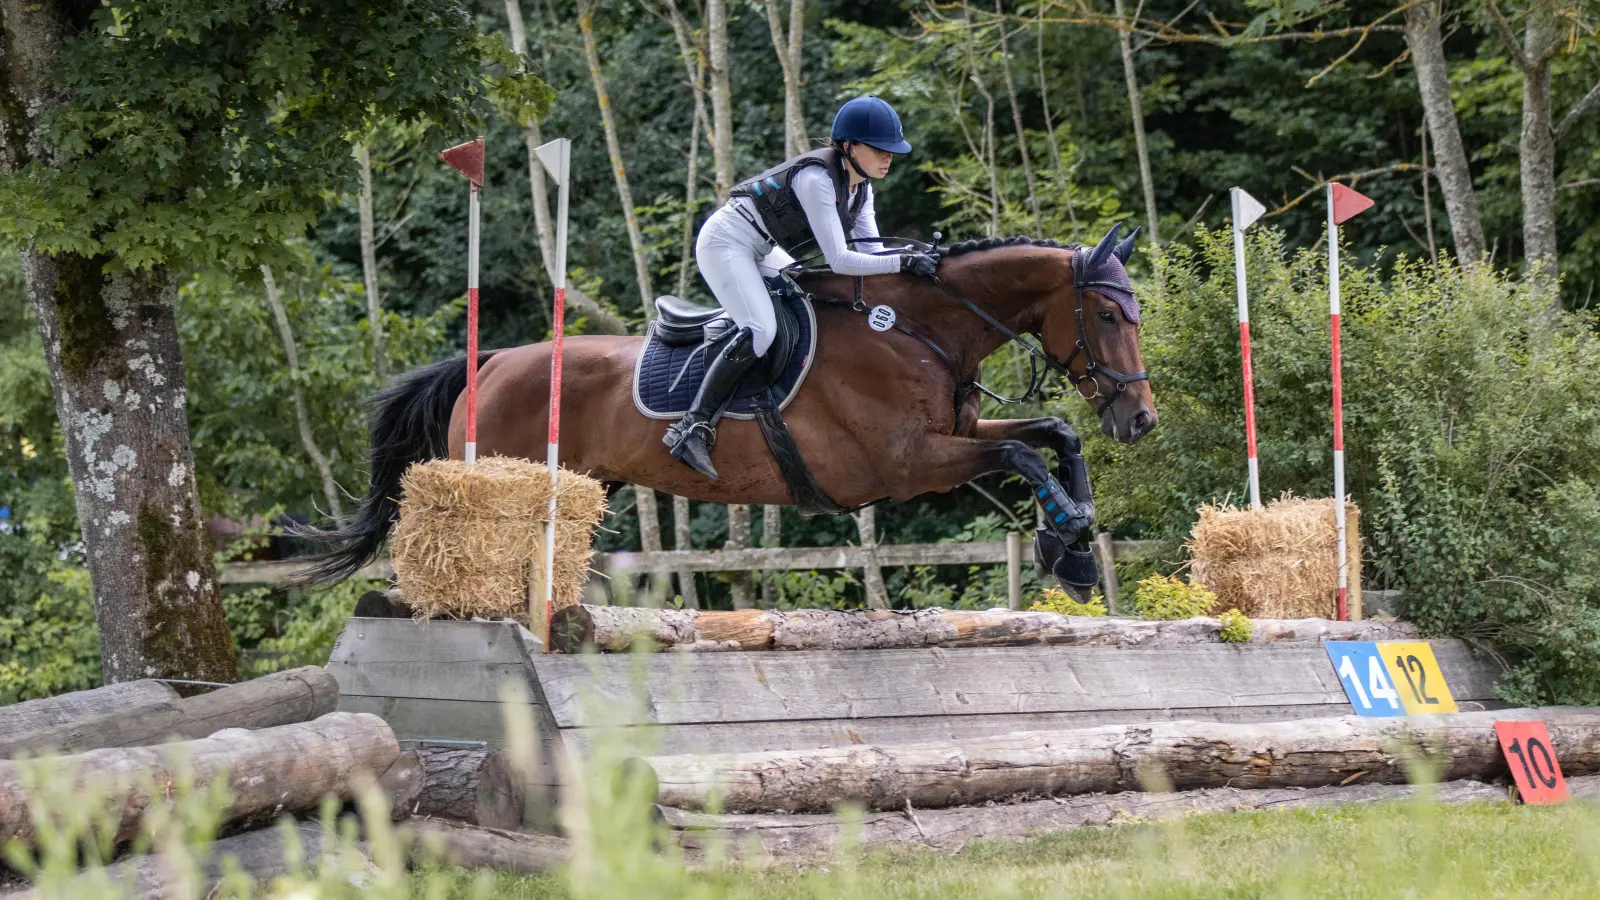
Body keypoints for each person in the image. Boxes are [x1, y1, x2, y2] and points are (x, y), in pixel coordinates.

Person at [664, 95, 940, 479]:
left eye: (891, 151)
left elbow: (873, 254)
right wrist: (903, 261)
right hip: (726, 243)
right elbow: (841, 261)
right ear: (848, 147)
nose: (888, 158)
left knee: (811, 300)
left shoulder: (861, 189)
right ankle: (691, 427)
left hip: (762, 248)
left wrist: (912, 265)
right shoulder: (817, 180)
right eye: (879, 149)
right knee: (761, 330)